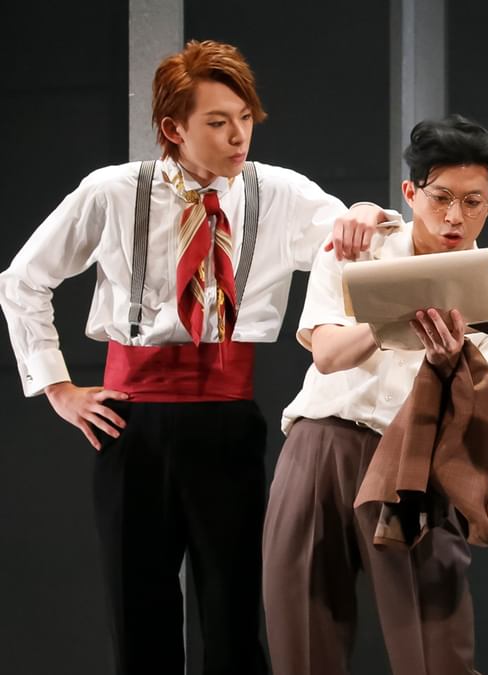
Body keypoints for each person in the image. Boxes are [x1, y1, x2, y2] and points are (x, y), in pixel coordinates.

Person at [0, 40, 384, 674]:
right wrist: (58, 388)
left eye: (245, 118)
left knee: (234, 621)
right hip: (130, 421)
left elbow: (362, 236)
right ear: (173, 129)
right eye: (217, 122)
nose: (238, 136)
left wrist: (365, 210)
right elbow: (23, 281)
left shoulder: (275, 191)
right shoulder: (113, 191)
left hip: (227, 419)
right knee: (139, 619)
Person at [262, 114, 488, 675]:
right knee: (302, 641)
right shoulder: (358, 247)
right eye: (441, 197)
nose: (454, 217)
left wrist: (450, 365)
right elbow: (327, 354)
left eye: (472, 202)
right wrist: (393, 315)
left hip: (420, 462)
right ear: (410, 193)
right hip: (320, 446)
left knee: (435, 652)